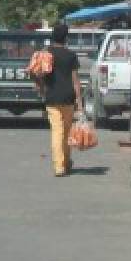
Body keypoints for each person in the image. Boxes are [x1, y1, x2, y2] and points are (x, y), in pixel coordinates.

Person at [41, 23, 83, 177]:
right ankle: (66, 161)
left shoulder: (46, 53)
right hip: (68, 98)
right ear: (66, 38)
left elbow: (38, 73)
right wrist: (80, 104)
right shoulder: (71, 55)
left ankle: (59, 166)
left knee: (57, 132)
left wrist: (40, 88)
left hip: (52, 97)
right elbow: (75, 81)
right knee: (66, 132)